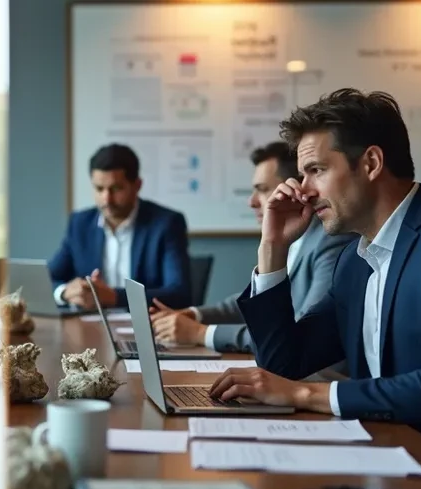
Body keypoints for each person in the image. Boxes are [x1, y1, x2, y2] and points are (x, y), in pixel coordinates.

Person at [206, 89, 421, 468]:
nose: (302, 190)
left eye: (316, 170)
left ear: (370, 162)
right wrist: (273, 248)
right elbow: (285, 365)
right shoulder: (355, 259)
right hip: (391, 453)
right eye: (302, 175)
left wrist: (306, 395)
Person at [150, 141, 351, 352]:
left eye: (263, 190)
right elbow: (252, 303)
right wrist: (193, 315)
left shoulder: (331, 241)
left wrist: (199, 333)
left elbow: (299, 334)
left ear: (294, 189)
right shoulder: (296, 238)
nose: (252, 202)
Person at [49, 143, 191, 310]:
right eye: (99, 189)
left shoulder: (166, 224)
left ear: (137, 186)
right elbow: (46, 280)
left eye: (116, 189)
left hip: (147, 329)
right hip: (89, 327)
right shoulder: (80, 224)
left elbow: (180, 293)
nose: (106, 199)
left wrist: (115, 297)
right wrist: (65, 292)